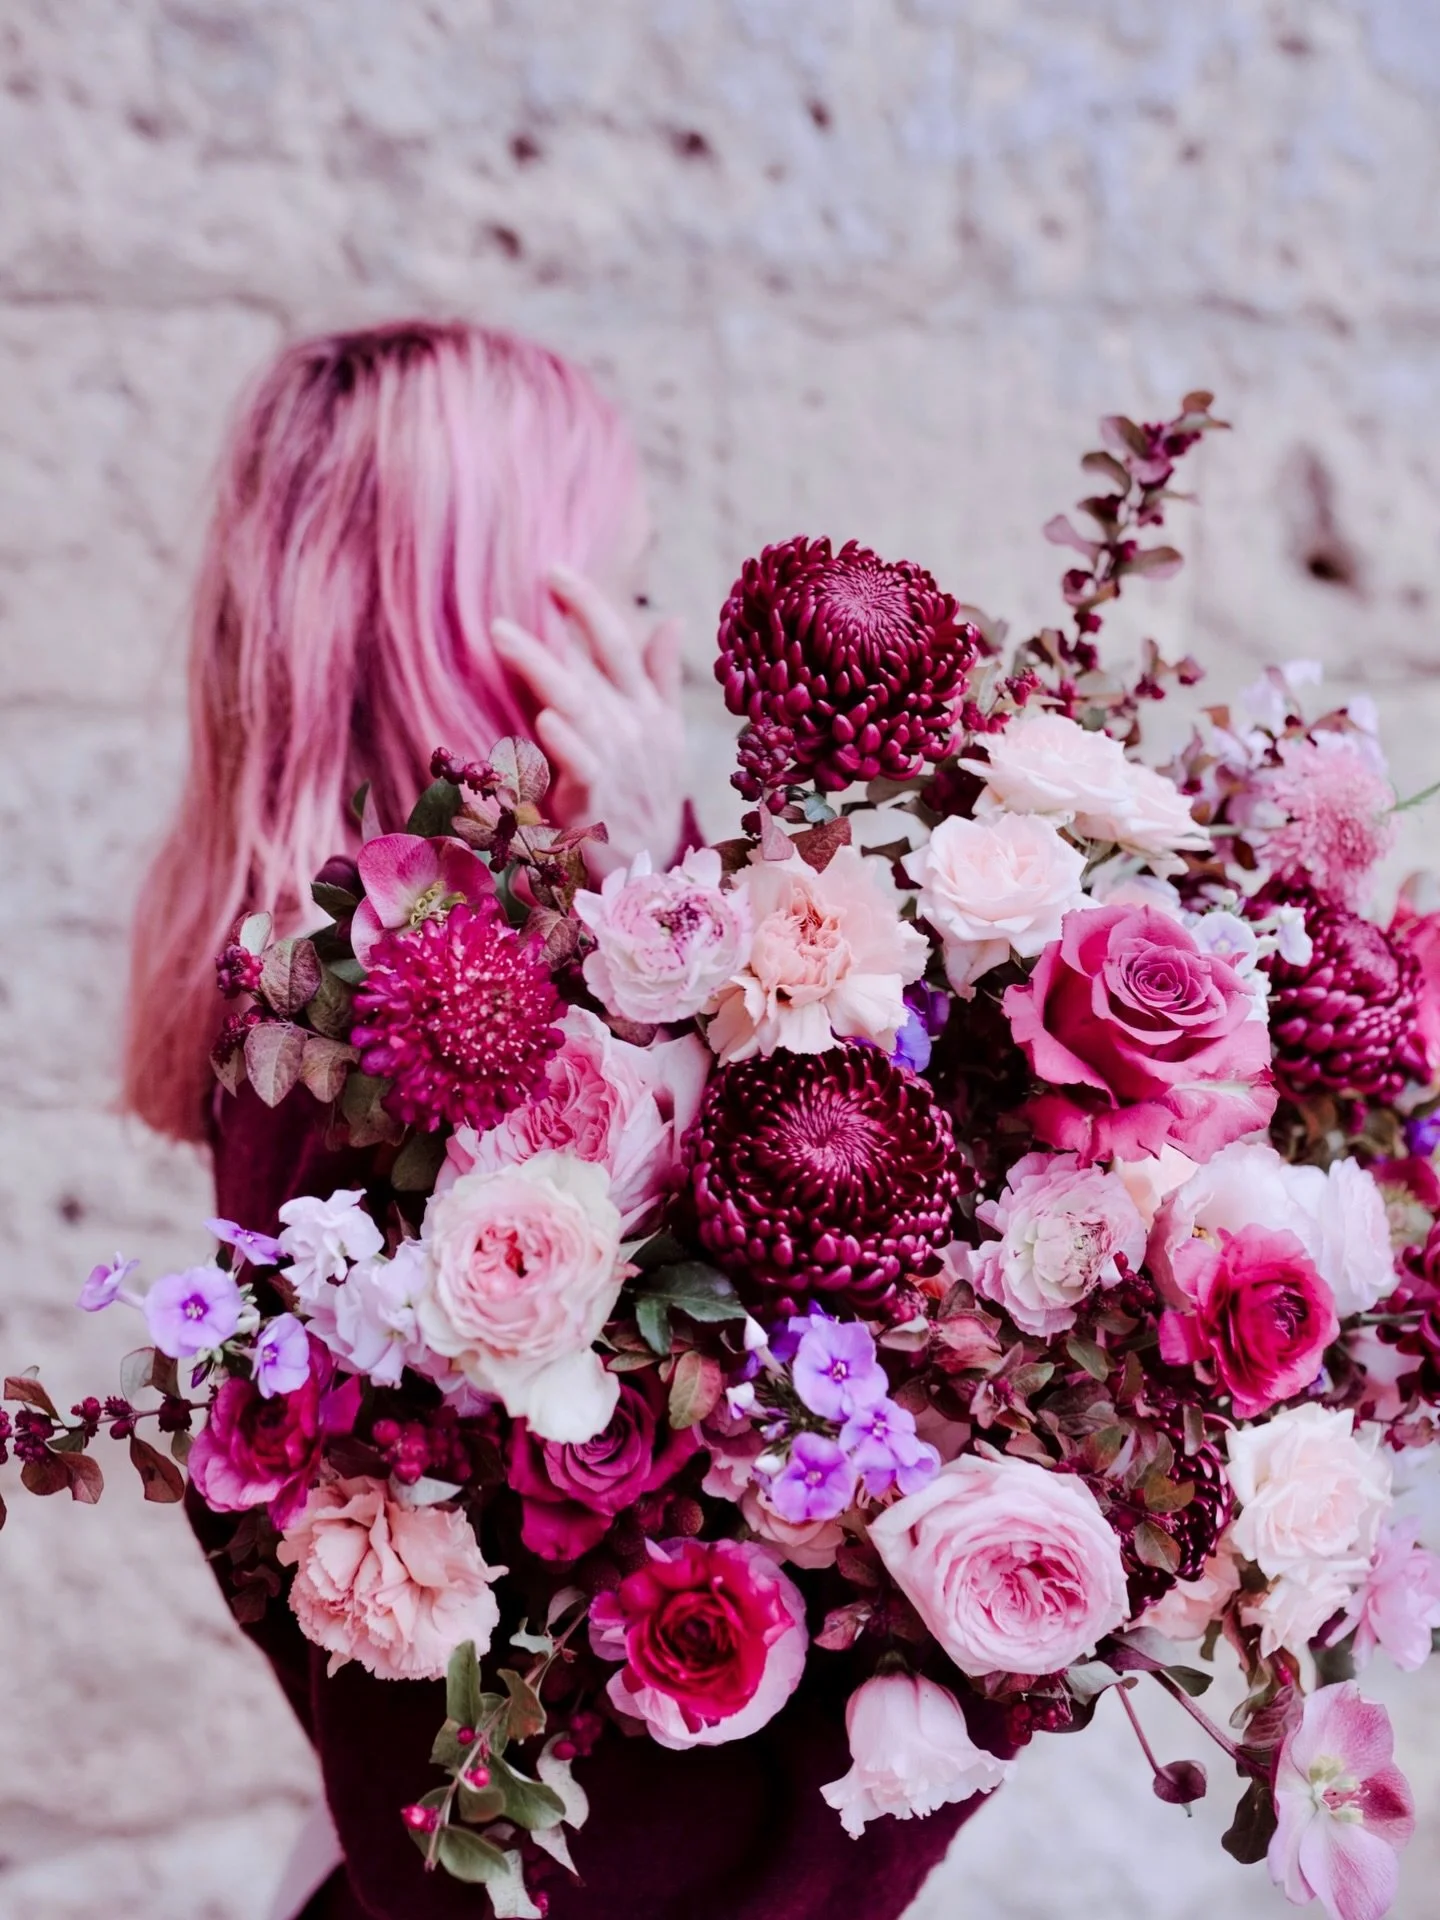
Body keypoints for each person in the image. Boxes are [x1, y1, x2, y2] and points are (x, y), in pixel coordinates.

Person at [122, 319, 987, 1919]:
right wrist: (653, 881)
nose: (653, 645)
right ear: (498, 630)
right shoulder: (393, 1046)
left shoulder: (322, 987)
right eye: (628, 589)